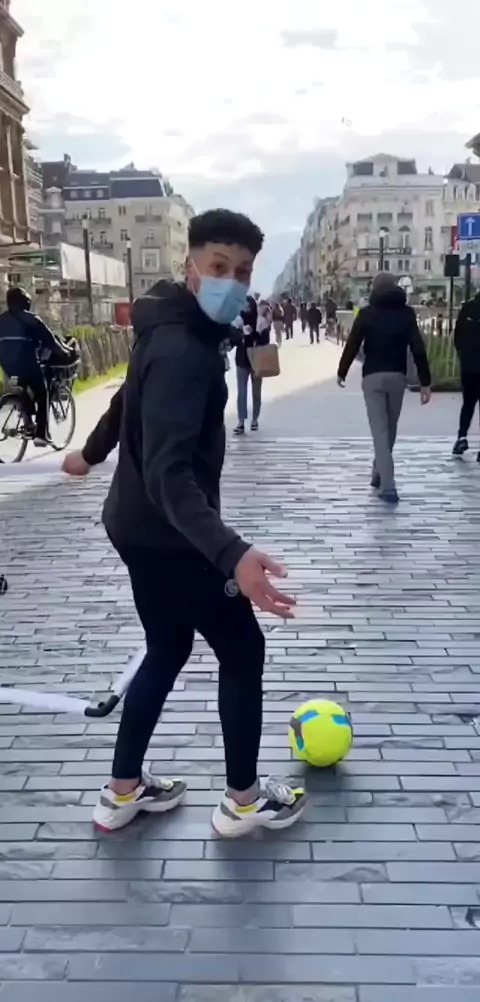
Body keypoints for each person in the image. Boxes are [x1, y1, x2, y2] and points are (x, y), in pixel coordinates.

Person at [91, 208, 306, 836]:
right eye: (219, 267)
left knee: (167, 647)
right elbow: (169, 473)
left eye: (242, 271)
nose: (231, 282)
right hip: (172, 536)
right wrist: (231, 551)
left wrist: (91, 452)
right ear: (191, 266)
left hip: (136, 526)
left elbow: (127, 396)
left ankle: (123, 791)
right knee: (242, 649)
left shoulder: (166, 320)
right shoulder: (185, 350)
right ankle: (243, 801)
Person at [337, 272, 431, 504]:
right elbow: (418, 347)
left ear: (374, 289)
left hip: (372, 377)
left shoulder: (367, 313)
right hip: (397, 377)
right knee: (390, 429)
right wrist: (425, 381)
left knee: (380, 432)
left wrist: (342, 371)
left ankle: (388, 486)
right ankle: (380, 472)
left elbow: (353, 343)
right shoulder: (407, 313)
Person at [0, 286, 71, 446]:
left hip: (7, 365)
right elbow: (49, 339)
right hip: (26, 362)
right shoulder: (31, 319)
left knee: (23, 388)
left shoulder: (1, 319)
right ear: (25, 302)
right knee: (42, 393)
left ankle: (28, 422)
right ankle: (41, 434)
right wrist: (64, 352)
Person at [233, 294, 268, 435]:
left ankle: (255, 419)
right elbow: (232, 339)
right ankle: (241, 421)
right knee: (241, 392)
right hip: (242, 359)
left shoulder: (261, 322)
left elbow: (265, 341)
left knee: (256, 391)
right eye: (244, 306)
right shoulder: (238, 321)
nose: (246, 309)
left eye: (248, 306)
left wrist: (255, 334)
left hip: (257, 359)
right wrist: (241, 334)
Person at [452, 289, 480, 460]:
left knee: (468, 404)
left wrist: (462, 355)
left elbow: (458, 336)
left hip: (469, 365)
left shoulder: (468, 308)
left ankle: (462, 437)